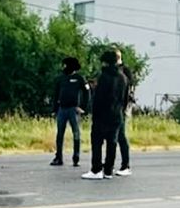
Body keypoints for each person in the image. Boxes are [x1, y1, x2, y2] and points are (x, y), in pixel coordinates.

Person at [82, 49, 128, 181]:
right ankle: (108, 170)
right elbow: (124, 99)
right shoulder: (123, 78)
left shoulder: (103, 77)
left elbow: (99, 98)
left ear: (105, 62)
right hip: (117, 115)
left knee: (97, 142)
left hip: (102, 115)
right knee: (112, 142)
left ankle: (96, 169)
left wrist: (93, 113)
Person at [50, 57, 89, 167]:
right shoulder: (60, 79)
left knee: (76, 133)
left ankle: (76, 157)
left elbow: (87, 93)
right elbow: (56, 94)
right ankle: (58, 157)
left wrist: (83, 107)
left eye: (65, 65)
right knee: (59, 134)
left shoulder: (79, 78)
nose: (63, 67)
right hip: (62, 109)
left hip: (74, 110)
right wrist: (54, 109)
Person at [116, 56, 135, 176]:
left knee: (121, 136)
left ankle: (125, 164)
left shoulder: (124, 71)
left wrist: (124, 107)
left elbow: (128, 89)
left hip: (121, 108)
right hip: (114, 108)